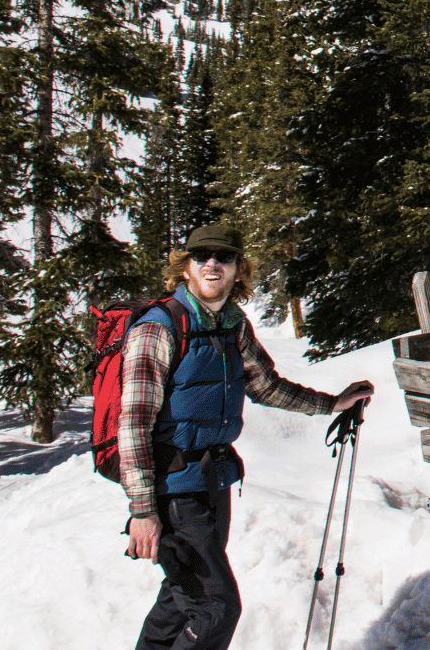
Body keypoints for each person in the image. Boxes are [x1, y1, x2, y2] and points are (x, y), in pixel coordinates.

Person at [121, 223, 374, 650]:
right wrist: (143, 510)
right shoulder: (159, 328)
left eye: (224, 256)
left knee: (182, 600)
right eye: (202, 257)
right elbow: (133, 424)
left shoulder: (232, 325)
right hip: (173, 489)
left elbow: (266, 386)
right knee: (215, 608)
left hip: (212, 481)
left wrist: (332, 404)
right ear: (185, 268)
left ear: (240, 269)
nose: (213, 264)